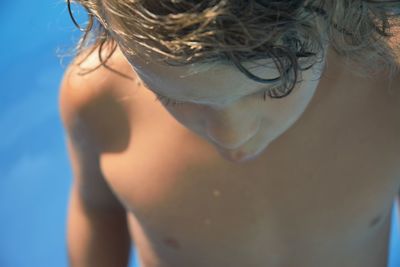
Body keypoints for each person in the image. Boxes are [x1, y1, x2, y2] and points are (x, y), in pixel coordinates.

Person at [59, 0, 400, 266]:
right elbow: (98, 210)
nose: (232, 136)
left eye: (277, 87)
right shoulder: (102, 102)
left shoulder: (389, 85)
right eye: (172, 96)